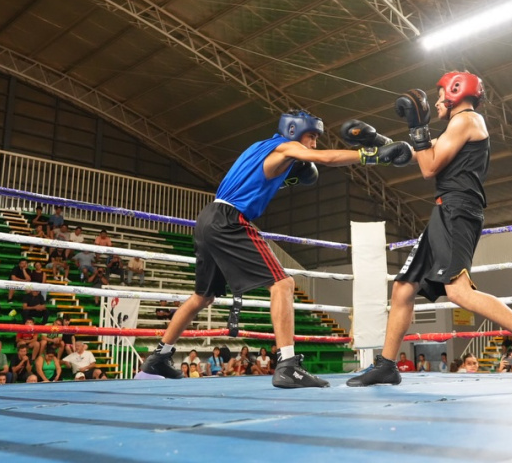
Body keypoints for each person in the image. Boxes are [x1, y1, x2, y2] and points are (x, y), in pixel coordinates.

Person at [141, 109, 411, 388]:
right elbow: (326, 158)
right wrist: (371, 156)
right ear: (293, 131)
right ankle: (288, 366)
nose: (314, 144)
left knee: (202, 297)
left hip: (207, 217)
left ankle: (158, 358)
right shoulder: (287, 146)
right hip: (230, 220)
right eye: (311, 137)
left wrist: (286, 178)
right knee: (283, 283)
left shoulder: (258, 149)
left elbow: (259, 178)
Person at [346, 72, 512, 391]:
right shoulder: (459, 126)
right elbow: (420, 153)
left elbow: (428, 168)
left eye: (439, 94)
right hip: (446, 210)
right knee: (404, 288)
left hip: (457, 209)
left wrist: (417, 128)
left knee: (459, 292)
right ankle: (386, 365)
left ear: (456, 91)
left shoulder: (466, 120)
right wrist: (380, 143)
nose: (436, 101)